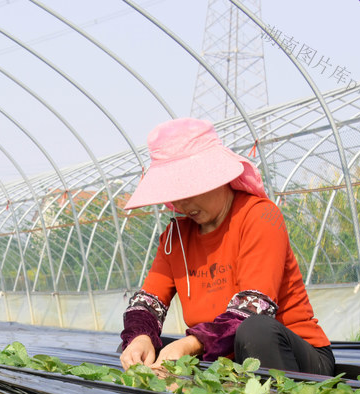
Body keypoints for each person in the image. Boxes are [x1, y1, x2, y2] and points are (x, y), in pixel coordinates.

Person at [118, 117, 334, 376]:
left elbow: (252, 308)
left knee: (256, 330)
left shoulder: (259, 216)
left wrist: (189, 344)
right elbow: (147, 304)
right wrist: (140, 337)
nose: (183, 204)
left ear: (217, 176)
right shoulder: (175, 237)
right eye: (175, 193)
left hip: (291, 357)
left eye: (190, 189)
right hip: (219, 358)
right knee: (138, 354)